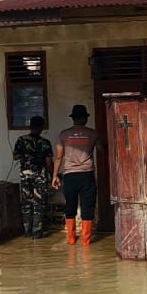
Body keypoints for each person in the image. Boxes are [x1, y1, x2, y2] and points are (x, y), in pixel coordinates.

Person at [51, 104, 104, 247]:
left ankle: (71, 240)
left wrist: (55, 175)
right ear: (85, 119)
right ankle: (86, 243)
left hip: (69, 176)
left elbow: (58, 157)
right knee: (88, 208)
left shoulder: (64, 134)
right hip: (87, 175)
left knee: (70, 207)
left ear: (73, 118)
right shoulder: (93, 134)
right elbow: (101, 151)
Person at [12, 115, 54, 239]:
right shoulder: (45, 143)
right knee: (39, 203)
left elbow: (15, 157)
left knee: (26, 203)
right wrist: (54, 175)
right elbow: (48, 162)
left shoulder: (21, 140)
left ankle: (27, 231)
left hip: (25, 175)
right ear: (41, 128)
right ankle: (37, 231)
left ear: (30, 126)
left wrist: (25, 155)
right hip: (40, 176)